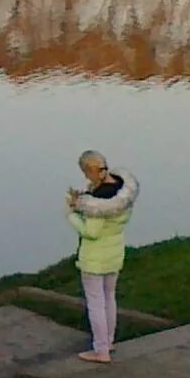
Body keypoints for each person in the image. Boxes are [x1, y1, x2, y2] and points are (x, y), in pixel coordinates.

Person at [66, 149, 138, 364]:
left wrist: (72, 213)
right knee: (109, 298)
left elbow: (91, 232)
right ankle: (109, 341)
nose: (86, 178)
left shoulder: (97, 203)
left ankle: (101, 350)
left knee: (96, 303)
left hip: (95, 258)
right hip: (115, 253)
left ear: (91, 170)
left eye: (86, 173)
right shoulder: (121, 190)